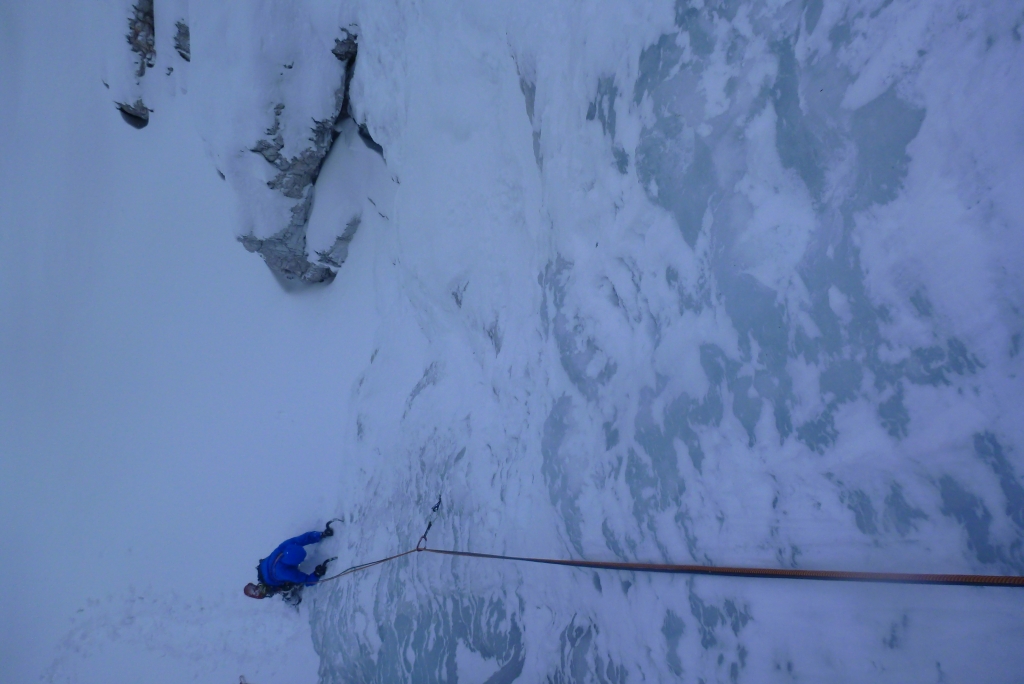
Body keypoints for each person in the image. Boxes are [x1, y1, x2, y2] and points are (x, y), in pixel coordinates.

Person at [244, 521, 337, 603]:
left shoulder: (286, 546)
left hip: (266, 568)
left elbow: (302, 539)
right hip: (272, 577)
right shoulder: (287, 573)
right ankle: (289, 597)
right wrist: (317, 574)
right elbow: (307, 580)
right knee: (289, 586)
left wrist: (321, 535)